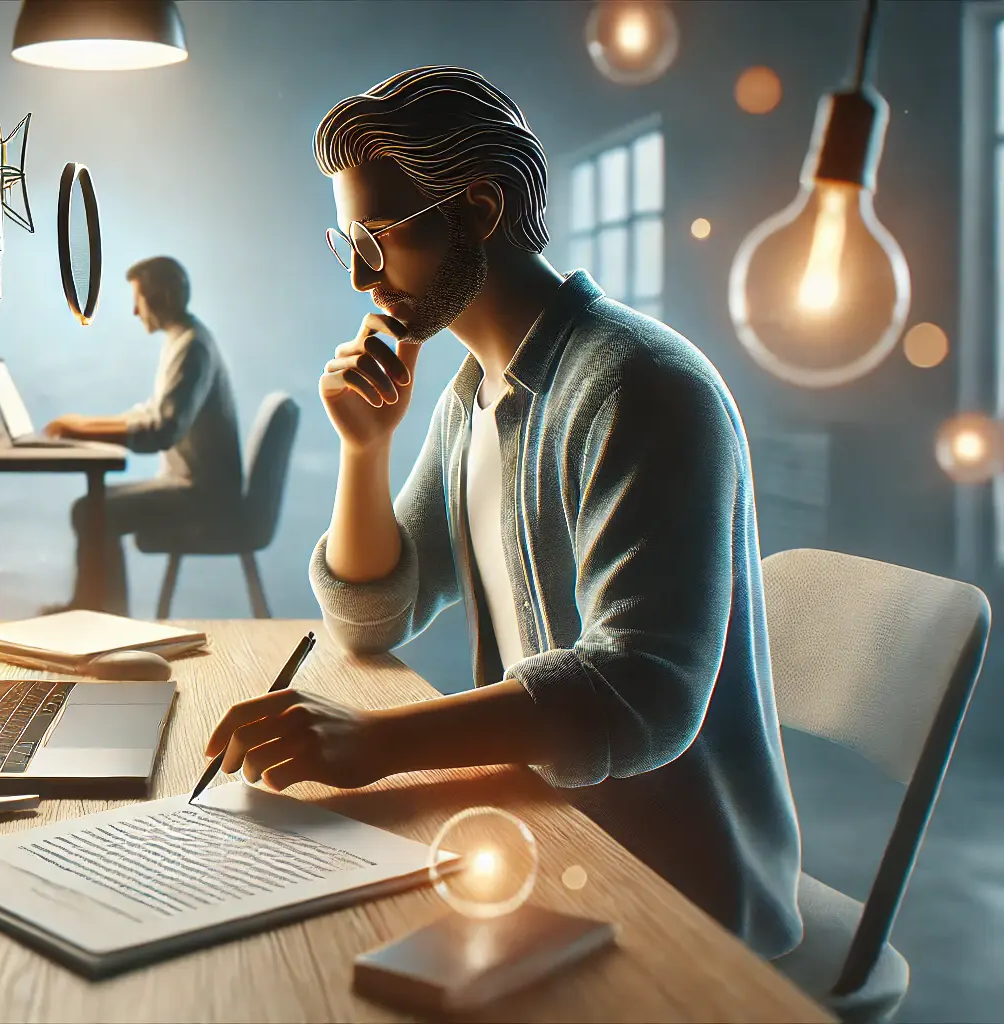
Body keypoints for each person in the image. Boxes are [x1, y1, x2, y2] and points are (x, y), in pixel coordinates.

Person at [203, 67, 803, 960]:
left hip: (676, 896)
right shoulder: (475, 395)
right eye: (349, 242)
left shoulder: (641, 387)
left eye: (381, 234)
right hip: (551, 834)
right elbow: (374, 616)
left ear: (478, 209)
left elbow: (645, 697)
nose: (364, 273)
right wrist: (366, 449)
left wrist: (376, 743)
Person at [44, 257, 242, 615]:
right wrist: (84, 426)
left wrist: (81, 429)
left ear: (161, 297)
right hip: (190, 483)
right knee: (91, 507)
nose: (135, 312)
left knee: (91, 510)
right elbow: (151, 414)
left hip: (201, 493)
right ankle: (98, 609)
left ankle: (100, 612)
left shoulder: (192, 348)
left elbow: (160, 432)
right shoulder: (182, 340)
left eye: (139, 300)